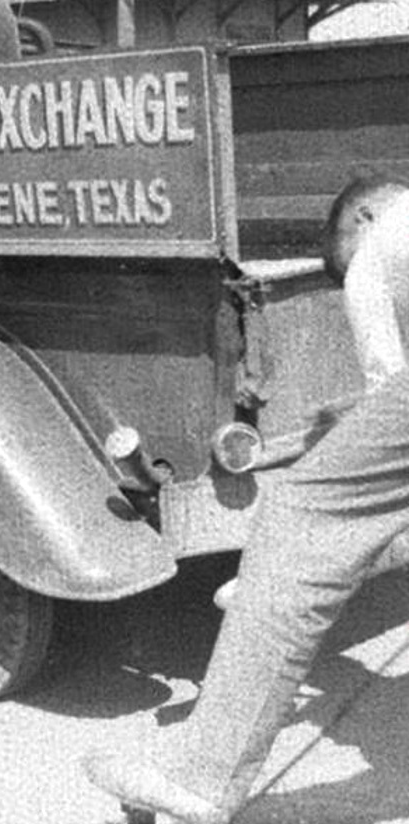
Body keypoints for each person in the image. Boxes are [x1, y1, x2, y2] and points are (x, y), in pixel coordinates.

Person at [82, 174, 409, 823]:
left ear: (366, 215)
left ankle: (202, 776)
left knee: (300, 514)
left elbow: (390, 395)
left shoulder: (381, 247)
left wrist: (288, 564)